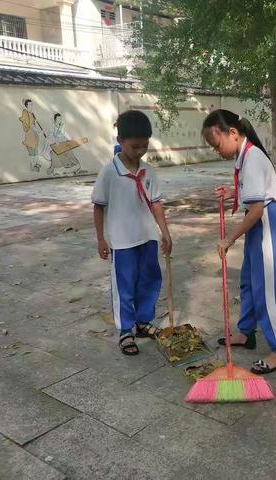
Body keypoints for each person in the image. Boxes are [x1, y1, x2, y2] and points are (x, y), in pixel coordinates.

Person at [202, 109, 276, 374]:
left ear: (232, 133)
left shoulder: (252, 157)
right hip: (258, 224)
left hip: (265, 223)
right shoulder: (246, 156)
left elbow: (256, 209)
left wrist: (229, 239)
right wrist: (232, 192)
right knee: (248, 281)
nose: (217, 151)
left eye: (216, 145)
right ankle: (246, 332)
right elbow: (252, 192)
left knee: (266, 288)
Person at [92, 110, 172, 356]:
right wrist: (101, 238)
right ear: (120, 141)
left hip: (147, 236)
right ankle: (126, 329)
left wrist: (165, 232)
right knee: (125, 285)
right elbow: (99, 205)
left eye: (145, 146)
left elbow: (156, 203)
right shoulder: (109, 172)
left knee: (150, 280)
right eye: (135, 146)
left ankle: (143, 321)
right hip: (122, 240)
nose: (140, 152)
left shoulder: (149, 171)